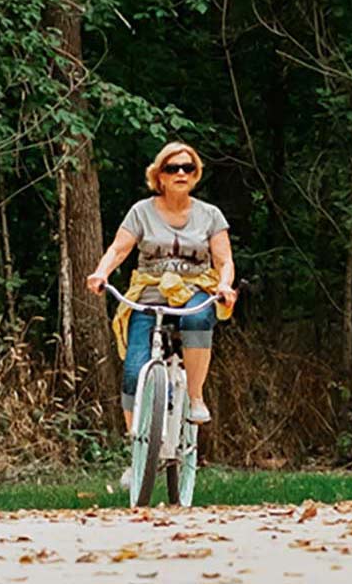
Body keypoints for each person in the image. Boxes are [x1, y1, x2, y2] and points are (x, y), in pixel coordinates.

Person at [84, 142, 237, 489]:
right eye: (172, 168)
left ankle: (195, 397)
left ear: (195, 174)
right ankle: (139, 449)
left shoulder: (210, 215)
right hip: (149, 294)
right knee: (133, 372)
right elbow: (119, 249)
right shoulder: (141, 211)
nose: (180, 173)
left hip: (196, 289)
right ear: (160, 176)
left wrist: (225, 286)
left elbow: (224, 260)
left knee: (197, 321)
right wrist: (100, 273)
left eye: (187, 168)